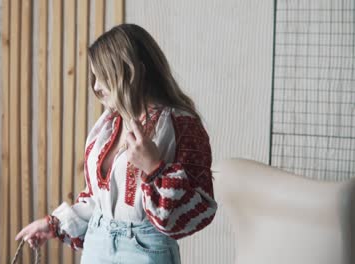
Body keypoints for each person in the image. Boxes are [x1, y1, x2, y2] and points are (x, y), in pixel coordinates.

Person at [15, 23, 218, 264]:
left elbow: (197, 210)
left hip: (145, 252)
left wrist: (155, 167)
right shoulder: (108, 124)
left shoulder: (182, 124)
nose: (96, 87)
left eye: (102, 77)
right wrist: (55, 224)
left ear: (131, 73)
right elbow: (98, 200)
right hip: (97, 244)